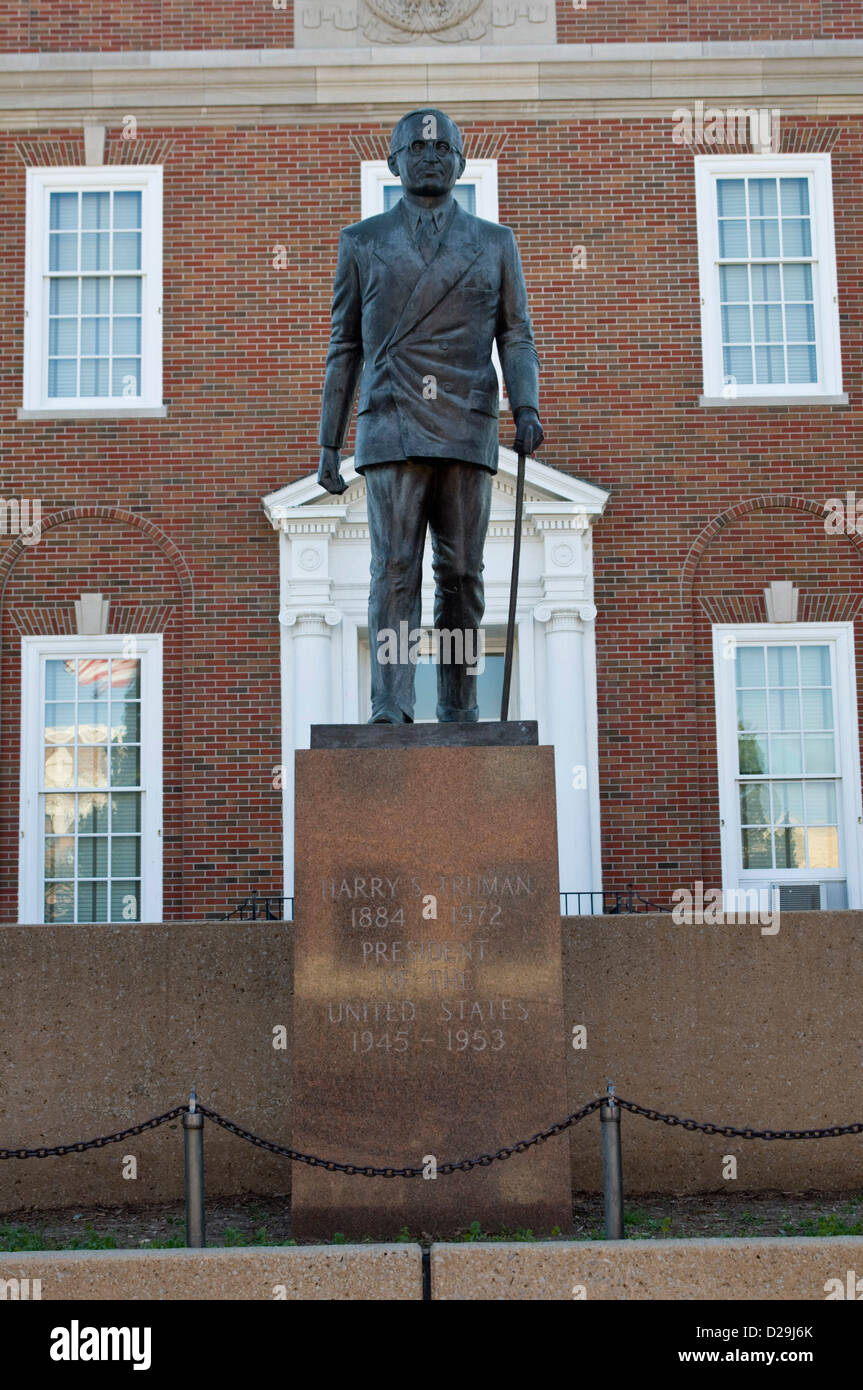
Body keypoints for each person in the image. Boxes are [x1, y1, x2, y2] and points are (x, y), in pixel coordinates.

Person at [317, 106, 544, 723]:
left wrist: (525, 405)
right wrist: (328, 442)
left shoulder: (494, 244)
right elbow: (345, 347)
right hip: (392, 421)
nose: (431, 158)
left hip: (466, 421)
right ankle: (391, 705)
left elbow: (516, 337)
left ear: (460, 163)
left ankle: (458, 705)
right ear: (394, 163)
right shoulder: (362, 242)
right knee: (394, 569)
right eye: (417, 150)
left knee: (463, 574)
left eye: (444, 150)